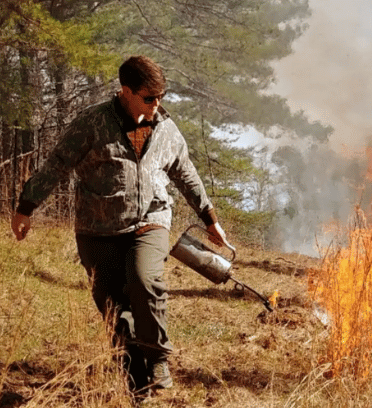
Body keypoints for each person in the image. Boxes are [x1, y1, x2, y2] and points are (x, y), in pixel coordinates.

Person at [9, 55, 229, 396]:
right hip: (98, 229)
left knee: (145, 279)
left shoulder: (166, 128)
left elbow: (185, 172)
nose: (157, 104)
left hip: (150, 221)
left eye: (161, 96)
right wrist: (26, 207)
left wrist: (210, 219)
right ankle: (135, 379)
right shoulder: (92, 123)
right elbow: (57, 163)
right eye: (149, 97)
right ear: (126, 91)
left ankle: (157, 357)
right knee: (112, 305)